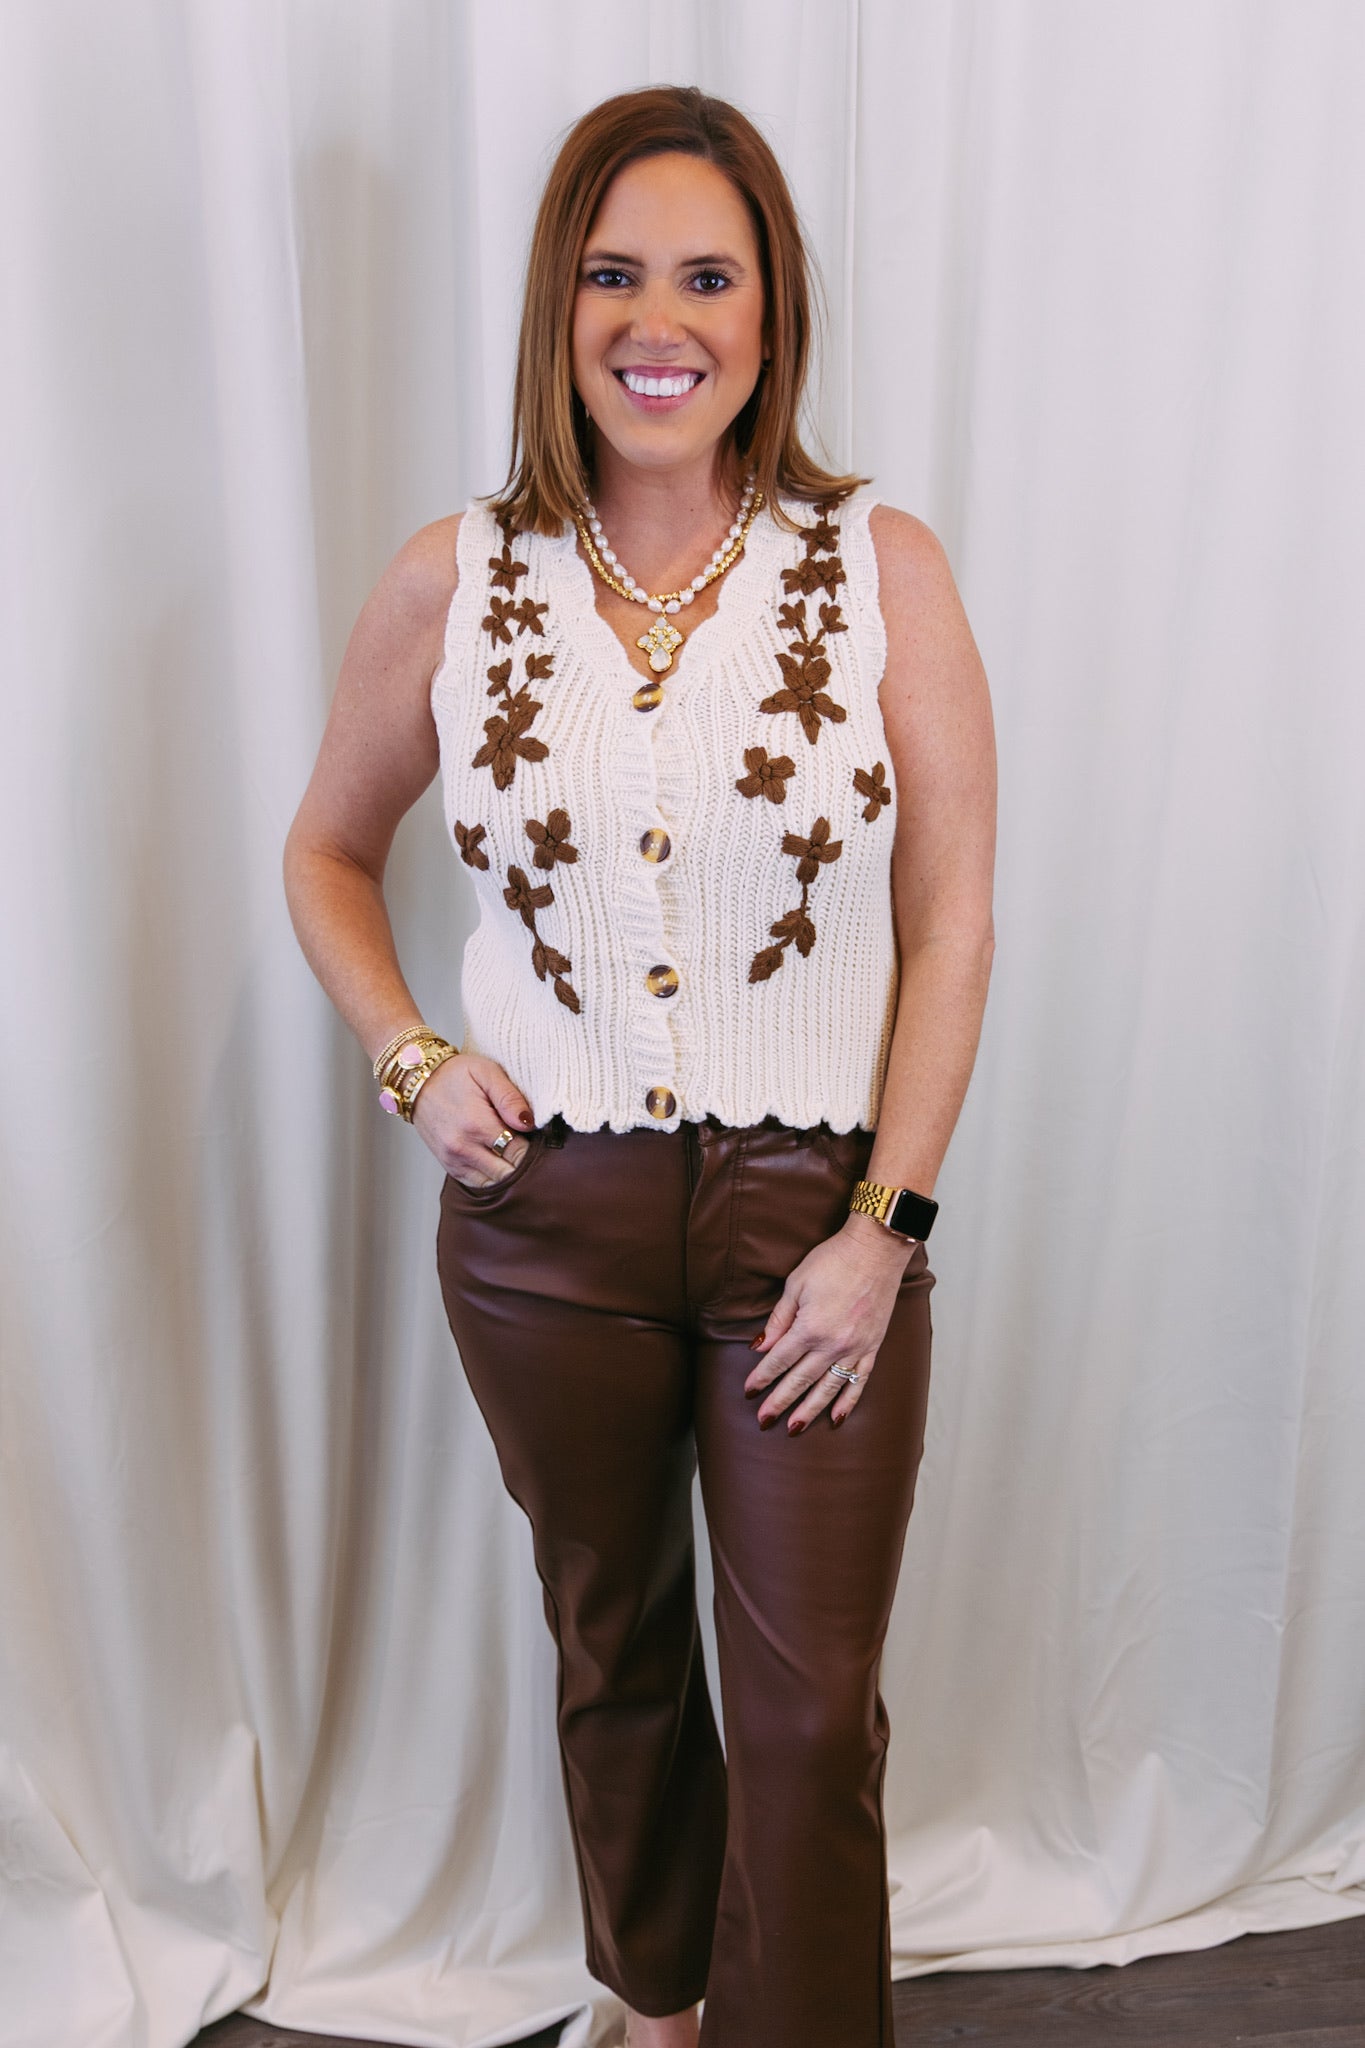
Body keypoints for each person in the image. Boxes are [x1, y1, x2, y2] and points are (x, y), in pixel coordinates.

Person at [284, 82, 996, 2048]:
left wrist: (880, 1226)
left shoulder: (878, 570)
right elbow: (324, 850)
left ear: (767, 316)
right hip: (544, 1224)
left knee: (799, 1704)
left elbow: (947, 928)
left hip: (810, 1217)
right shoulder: (459, 577)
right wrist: (413, 1054)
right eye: (609, 274)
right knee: (615, 1646)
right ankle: (651, 2005)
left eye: (703, 273)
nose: (653, 317)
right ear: (555, 305)